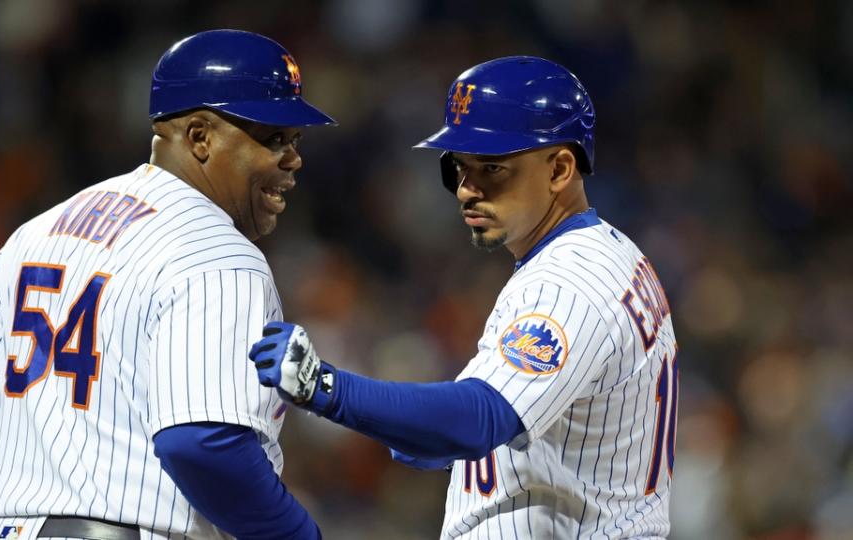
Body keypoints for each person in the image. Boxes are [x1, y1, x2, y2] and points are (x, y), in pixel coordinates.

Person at [0, 29, 334, 540]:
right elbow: (201, 442)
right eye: (273, 139)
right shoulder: (223, 256)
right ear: (199, 137)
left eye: (294, 141)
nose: (293, 160)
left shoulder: (45, 227)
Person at [249, 56, 679, 538]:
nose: (466, 190)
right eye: (458, 167)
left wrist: (324, 387)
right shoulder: (604, 254)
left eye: (492, 167)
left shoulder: (570, 280)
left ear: (559, 168)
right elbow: (444, 443)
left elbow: (478, 420)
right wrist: (406, 420)